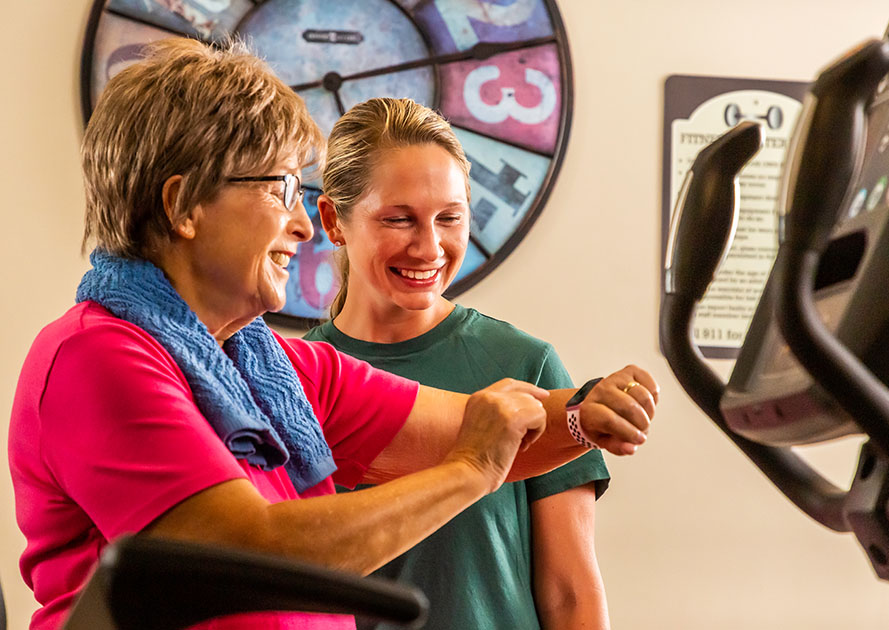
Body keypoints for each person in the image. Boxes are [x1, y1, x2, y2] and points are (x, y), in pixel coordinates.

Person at [8, 38, 659, 630]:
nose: (300, 225)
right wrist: (467, 473)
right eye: (279, 189)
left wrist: (581, 414)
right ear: (183, 206)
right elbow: (246, 553)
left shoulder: (271, 369)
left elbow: (472, 426)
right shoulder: (96, 355)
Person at [305, 98, 614, 629]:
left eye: (450, 218)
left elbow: (570, 593)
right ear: (334, 220)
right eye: (399, 219)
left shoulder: (525, 364)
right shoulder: (288, 380)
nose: (430, 247)